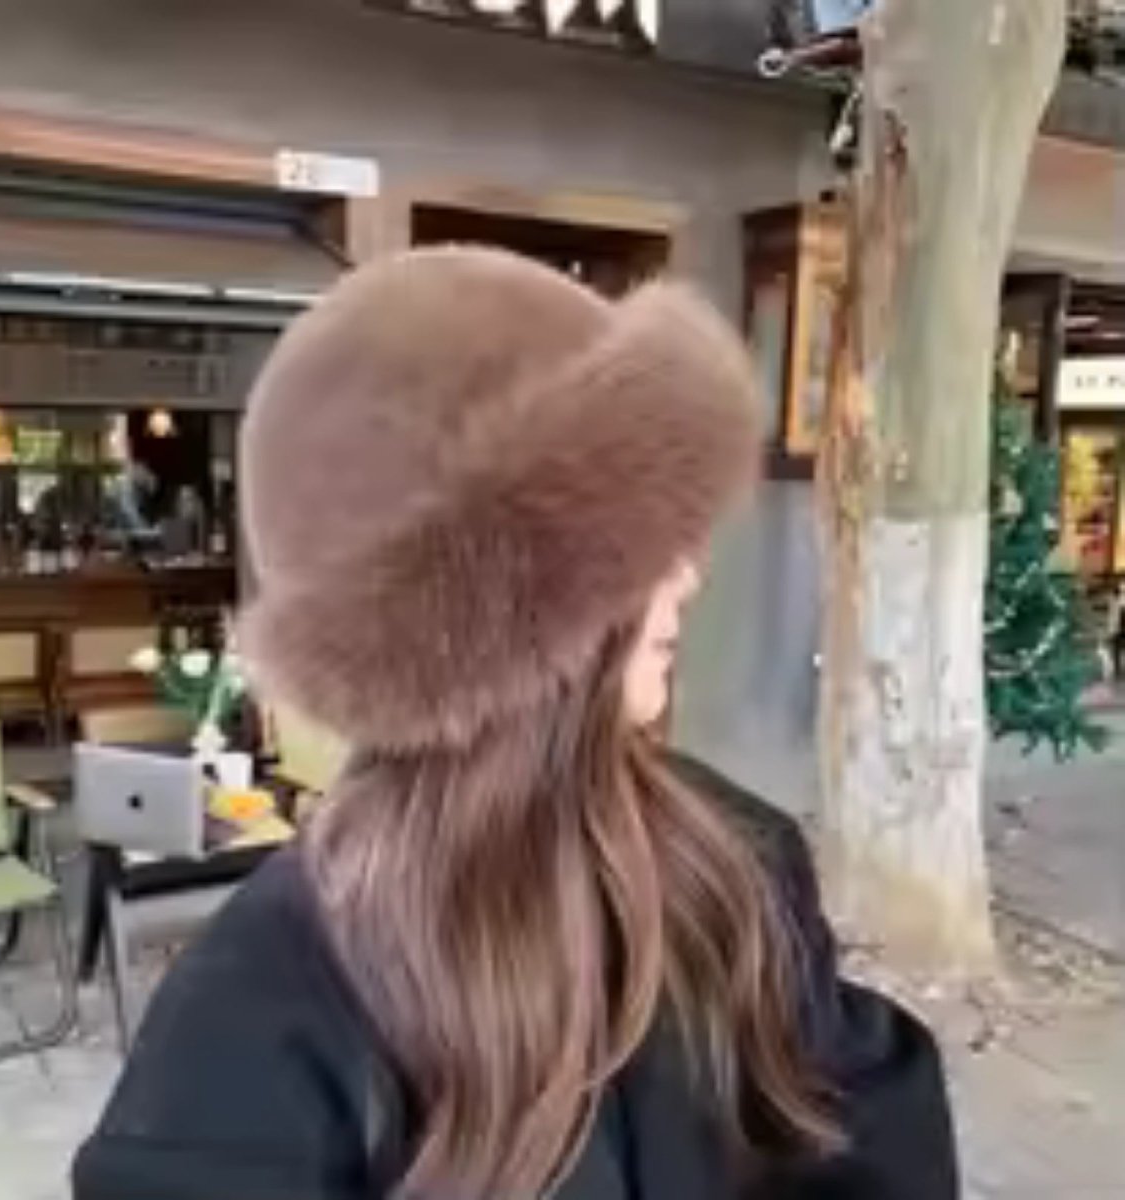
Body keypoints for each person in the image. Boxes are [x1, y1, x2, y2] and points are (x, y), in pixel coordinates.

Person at [72, 247, 957, 1200]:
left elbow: (863, 1142)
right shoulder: (256, 1018)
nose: (688, 577)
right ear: (526, 603)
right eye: (639, 546)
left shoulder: (735, 863)